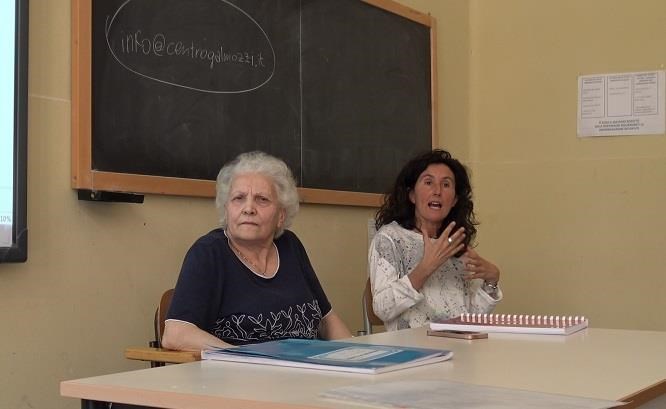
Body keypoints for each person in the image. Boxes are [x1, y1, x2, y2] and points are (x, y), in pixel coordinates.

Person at [162, 151, 351, 350]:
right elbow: (176, 334)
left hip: (309, 365)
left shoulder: (290, 245)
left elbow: (327, 320)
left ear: (281, 215)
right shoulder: (208, 253)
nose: (248, 208)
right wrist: (244, 358)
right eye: (239, 198)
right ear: (226, 209)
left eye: (262, 199)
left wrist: (356, 355)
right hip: (240, 369)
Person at [369, 149, 502, 331]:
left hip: (459, 343)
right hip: (411, 346)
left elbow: (471, 319)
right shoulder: (389, 238)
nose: (437, 191)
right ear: (412, 195)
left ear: (454, 200)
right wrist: (425, 268)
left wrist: (491, 281)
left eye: (446, 184)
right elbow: (382, 309)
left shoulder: (456, 242)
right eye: (428, 182)